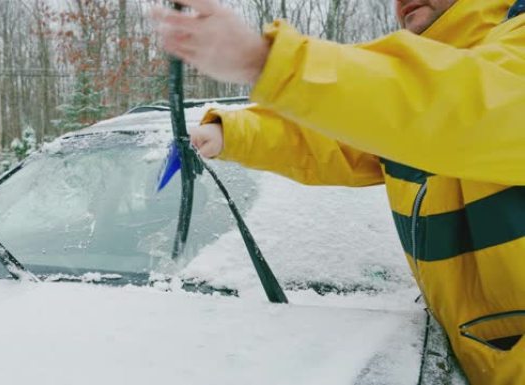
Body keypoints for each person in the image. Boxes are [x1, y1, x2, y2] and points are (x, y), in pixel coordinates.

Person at [152, 0, 525, 384]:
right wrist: (230, 133)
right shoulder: (406, 103)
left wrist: (267, 60)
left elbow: (458, 107)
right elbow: (340, 137)